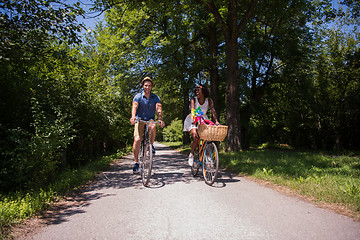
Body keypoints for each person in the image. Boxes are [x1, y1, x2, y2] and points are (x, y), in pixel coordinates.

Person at [130, 77, 165, 174]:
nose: (147, 87)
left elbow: (158, 108)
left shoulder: (155, 97)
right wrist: (133, 117)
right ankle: (136, 163)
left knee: (153, 126)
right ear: (143, 86)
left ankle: (151, 145)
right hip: (139, 119)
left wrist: (160, 119)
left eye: (149, 85)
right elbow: (135, 106)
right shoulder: (138, 96)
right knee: (137, 140)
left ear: (152, 87)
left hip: (150, 119)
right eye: (146, 85)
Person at [183, 84, 220, 166]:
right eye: (195, 90)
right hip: (193, 118)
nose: (196, 92)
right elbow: (192, 109)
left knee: (208, 137)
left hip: (203, 119)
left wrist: (216, 121)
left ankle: (208, 156)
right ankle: (191, 155)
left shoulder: (209, 101)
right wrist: (194, 120)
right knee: (195, 136)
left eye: (198, 90)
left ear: (203, 91)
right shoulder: (194, 100)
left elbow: (213, 111)